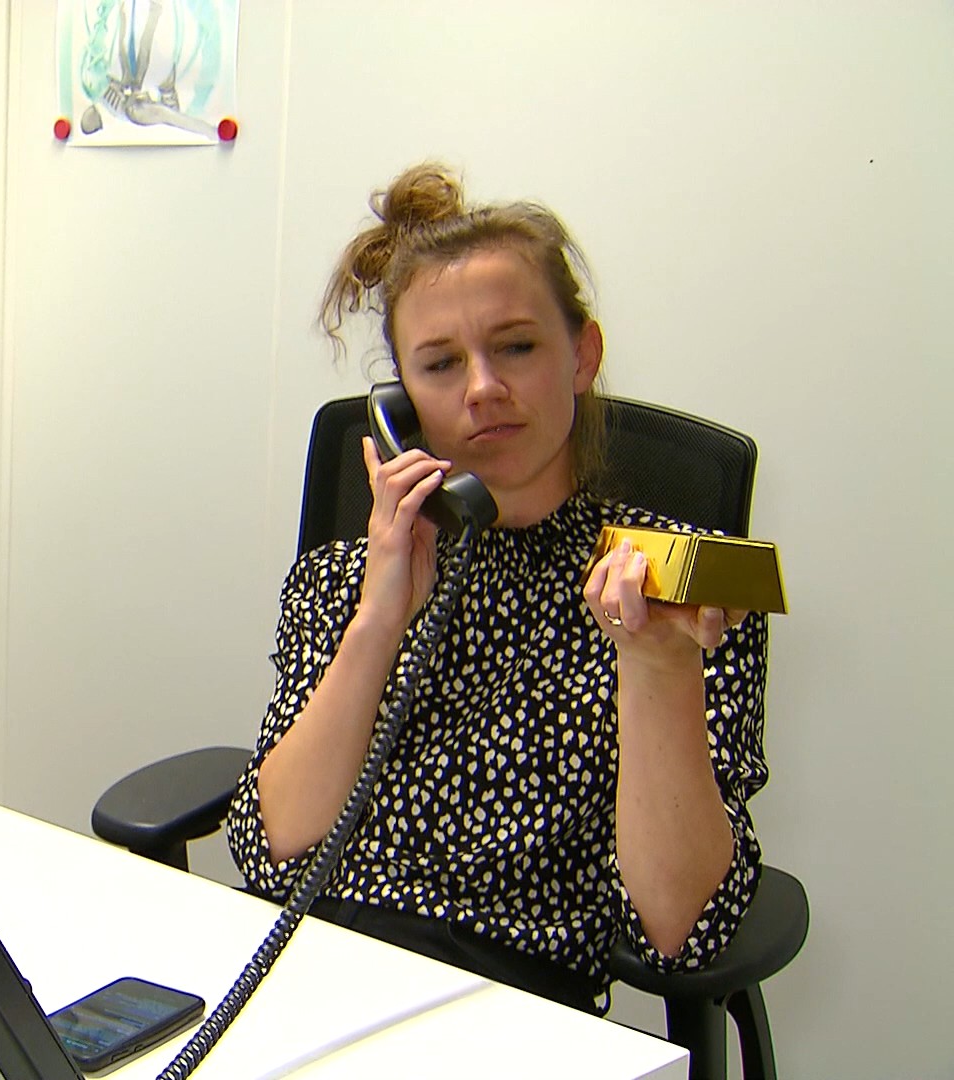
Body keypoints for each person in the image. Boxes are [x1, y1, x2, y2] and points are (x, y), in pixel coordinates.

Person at [223, 163, 768, 1014]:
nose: (483, 388)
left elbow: (682, 931)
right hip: (312, 973)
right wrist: (379, 619)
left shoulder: (677, 579)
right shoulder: (348, 572)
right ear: (402, 402)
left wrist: (657, 665)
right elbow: (270, 847)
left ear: (582, 355)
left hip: (511, 1003)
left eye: (516, 346)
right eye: (441, 364)